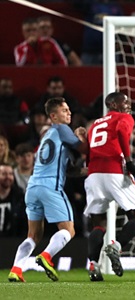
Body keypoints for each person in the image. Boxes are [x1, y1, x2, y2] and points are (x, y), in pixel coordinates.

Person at [8, 97, 88, 282]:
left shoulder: (48, 137)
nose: (69, 112)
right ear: (53, 116)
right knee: (69, 230)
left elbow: (70, 170)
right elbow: (83, 148)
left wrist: (89, 170)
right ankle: (46, 256)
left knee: (34, 235)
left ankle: (16, 269)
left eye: (69, 109)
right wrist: (82, 137)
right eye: (64, 110)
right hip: (50, 187)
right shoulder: (61, 129)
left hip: (33, 187)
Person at [83, 92, 135, 282]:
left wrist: (87, 165)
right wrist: (130, 161)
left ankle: (93, 264)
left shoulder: (95, 124)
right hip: (115, 171)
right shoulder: (124, 117)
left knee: (98, 224)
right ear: (112, 104)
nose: (128, 104)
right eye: (124, 101)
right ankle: (116, 246)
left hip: (94, 174)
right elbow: (121, 132)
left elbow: (89, 148)